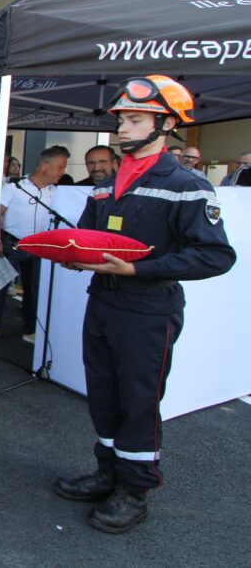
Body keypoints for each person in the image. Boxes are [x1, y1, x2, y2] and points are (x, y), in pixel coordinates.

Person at [54, 75, 235, 533]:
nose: (123, 128)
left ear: (167, 124)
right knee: (103, 395)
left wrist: (138, 270)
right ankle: (108, 473)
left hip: (149, 309)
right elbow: (87, 237)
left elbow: (216, 255)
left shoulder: (188, 184)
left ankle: (134, 491)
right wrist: (71, 254)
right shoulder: (105, 186)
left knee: (138, 400)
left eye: (135, 120)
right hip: (103, 303)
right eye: (122, 120)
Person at [0, 145, 69, 343]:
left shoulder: (56, 193)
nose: (62, 172)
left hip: (40, 248)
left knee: (34, 290)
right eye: (60, 167)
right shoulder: (14, 187)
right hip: (11, 245)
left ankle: (30, 328)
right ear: (45, 166)